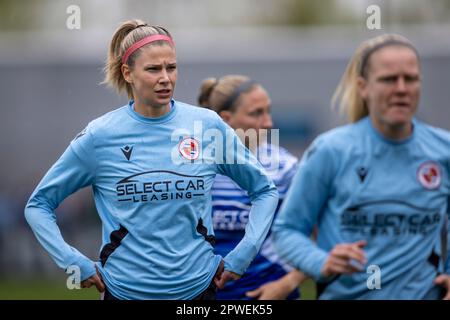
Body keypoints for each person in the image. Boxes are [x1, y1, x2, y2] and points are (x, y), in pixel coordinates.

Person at [24, 20, 279, 300]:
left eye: (171, 67)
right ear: (128, 73)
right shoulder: (100, 136)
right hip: (123, 293)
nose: (165, 78)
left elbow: (264, 190)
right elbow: (38, 205)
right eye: (153, 69)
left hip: (198, 293)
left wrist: (243, 254)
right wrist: (73, 262)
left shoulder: (206, 126)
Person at [272, 34, 450, 299]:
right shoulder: (331, 150)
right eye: (389, 79)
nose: (401, 88)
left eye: (410, 78)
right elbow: (287, 230)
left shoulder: (443, 150)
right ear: (363, 87)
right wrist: (321, 262)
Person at [198, 75, 306, 300]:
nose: (268, 123)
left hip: (266, 293)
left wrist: (286, 285)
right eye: (257, 113)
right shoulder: (192, 166)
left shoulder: (285, 168)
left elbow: (320, 236)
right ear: (226, 120)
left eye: (268, 111)